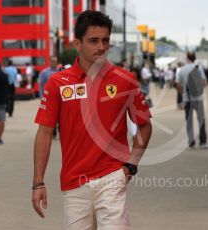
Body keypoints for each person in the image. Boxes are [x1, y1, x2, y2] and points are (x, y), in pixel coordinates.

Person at [32, 10, 152, 230]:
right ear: (77, 43)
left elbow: (144, 125)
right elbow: (45, 133)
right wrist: (38, 182)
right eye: (94, 41)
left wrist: (130, 166)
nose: (101, 47)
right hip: (73, 181)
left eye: (105, 40)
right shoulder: (58, 83)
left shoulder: (125, 80)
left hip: (113, 176)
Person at [176, 52, 208, 149]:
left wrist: (183, 93)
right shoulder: (199, 68)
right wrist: (200, 89)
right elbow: (204, 81)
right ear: (195, 58)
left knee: (189, 121)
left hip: (187, 99)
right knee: (201, 120)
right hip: (199, 98)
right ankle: (203, 142)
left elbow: (177, 84)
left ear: (187, 58)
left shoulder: (182, 70)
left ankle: (191, 141)